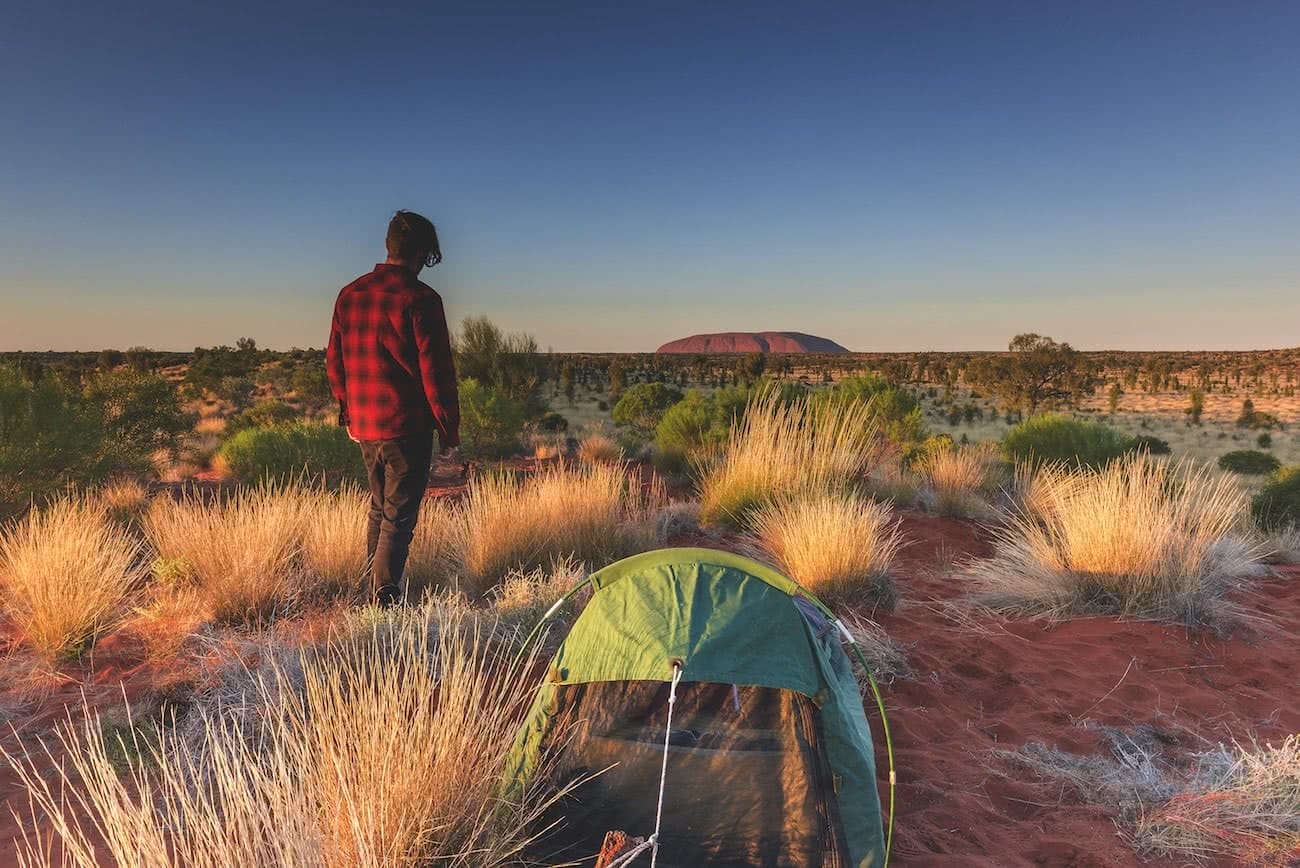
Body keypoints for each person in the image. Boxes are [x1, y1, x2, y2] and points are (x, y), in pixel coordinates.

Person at [326, 210, 459, 605]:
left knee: (379, 509)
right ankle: (382, 603)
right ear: (423, 253)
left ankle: (373, 590)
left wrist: (348, 411)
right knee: (398, 517)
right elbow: (436, 373)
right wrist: (449, 430)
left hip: (366, 426)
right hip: (407, 427)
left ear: (388, 246)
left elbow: (335, 360)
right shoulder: (421, 299)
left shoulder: (349, 294)